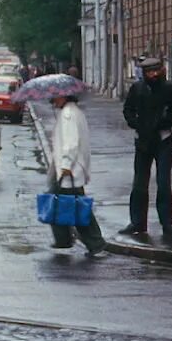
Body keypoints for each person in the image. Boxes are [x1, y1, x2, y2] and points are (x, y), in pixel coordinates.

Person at [121, 56, 172, 236]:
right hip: (142, 140)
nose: (153, 74)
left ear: (162, 71)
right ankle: (137, 223)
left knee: (163, 182)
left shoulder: (169, 88)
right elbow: (128, 109)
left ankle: (167, 223)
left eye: (156, 71)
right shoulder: (137, 88)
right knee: (139, 183)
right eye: (149, 72)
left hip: (162, 139)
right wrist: (136, 123)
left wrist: (163, 122)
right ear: (144, 73)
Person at [48, 93, 105, 256]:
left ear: (65, 97)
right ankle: (70, 240)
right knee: (73, 205)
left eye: (56, 96)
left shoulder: (68, 114)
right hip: (74, 169)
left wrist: (65, 165)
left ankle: (89, 242)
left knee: (70, 207)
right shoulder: (74, 112)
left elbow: (71, 143)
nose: (53, 99)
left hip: (70, 170)